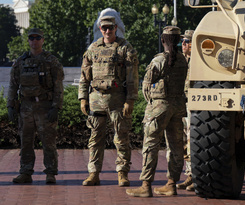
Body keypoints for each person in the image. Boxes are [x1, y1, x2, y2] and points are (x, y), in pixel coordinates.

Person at [126, 26, 188, 197]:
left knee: (150, 145)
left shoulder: (158, 61)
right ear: (178, 41)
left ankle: (146, 185)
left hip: (159, 107)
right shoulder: (183, 60)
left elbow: (146, 88)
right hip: (178, 107)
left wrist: (153, 103)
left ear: (163, 41)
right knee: (176, 146)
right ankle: (171, 184)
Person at [78, 15, 139, 187]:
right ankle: (93, 173)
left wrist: (130, 100)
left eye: (110, 28)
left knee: (121, 137)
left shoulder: (125, 48)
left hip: (117, 99)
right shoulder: (92, 48)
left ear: (115, 28)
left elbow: (133, 77)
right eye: (104, 28)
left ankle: (122, 173)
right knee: (95, 138)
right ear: (100, 29)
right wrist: (83, 98)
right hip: (96, 99)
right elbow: (84, 76)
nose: (107, 31)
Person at [7, 28, 64, 184]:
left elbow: (58, 86)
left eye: (37, 38)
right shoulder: (20, 62)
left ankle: (50, 173)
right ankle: (25, 172)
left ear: (43, 40)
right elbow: (13, 85)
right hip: (26, 107)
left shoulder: (51, 61)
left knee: (48, 142)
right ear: (28, 41)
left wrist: (56, 107)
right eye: (31, 38)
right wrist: (10, 105)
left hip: (45, 107)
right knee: (25, 141)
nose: (34, 41)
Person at [177, 29, 194, 191]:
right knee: (182, 140)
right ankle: (189, 174)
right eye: (182, 42)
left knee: (192, 140)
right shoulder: (181, 60)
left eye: (186, 42)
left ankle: (194, 176)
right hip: (181, 104)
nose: (183, 45)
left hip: (193, 106)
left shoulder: (199, 62)